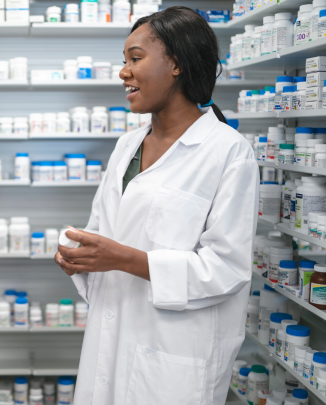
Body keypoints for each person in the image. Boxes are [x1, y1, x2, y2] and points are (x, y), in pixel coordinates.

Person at [54, 7, 259, 405]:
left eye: (135, 58)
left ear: (176, 64)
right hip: (108, 341)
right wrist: (82, 258)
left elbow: (226, 269)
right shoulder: (126, 146)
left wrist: (125, 258)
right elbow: (104, 236)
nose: (123, 72)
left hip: (171, 359)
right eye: (123, 61)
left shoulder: (227, 152)